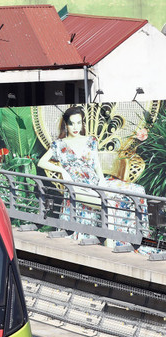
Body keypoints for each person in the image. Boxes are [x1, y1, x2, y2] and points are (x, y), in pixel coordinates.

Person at [37, 105, 147, 246]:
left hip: (94, 182)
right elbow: (42, 162)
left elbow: (96, 164)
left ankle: (138, 239)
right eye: (71, 123)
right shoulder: (59, 145)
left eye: (78, 122)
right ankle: (111, 246)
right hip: (77, 187)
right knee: (108, 203)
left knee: (138, 191)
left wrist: (101, 181)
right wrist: (62, 170)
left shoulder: (90, 140)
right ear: (66, 124)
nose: (75, 127)